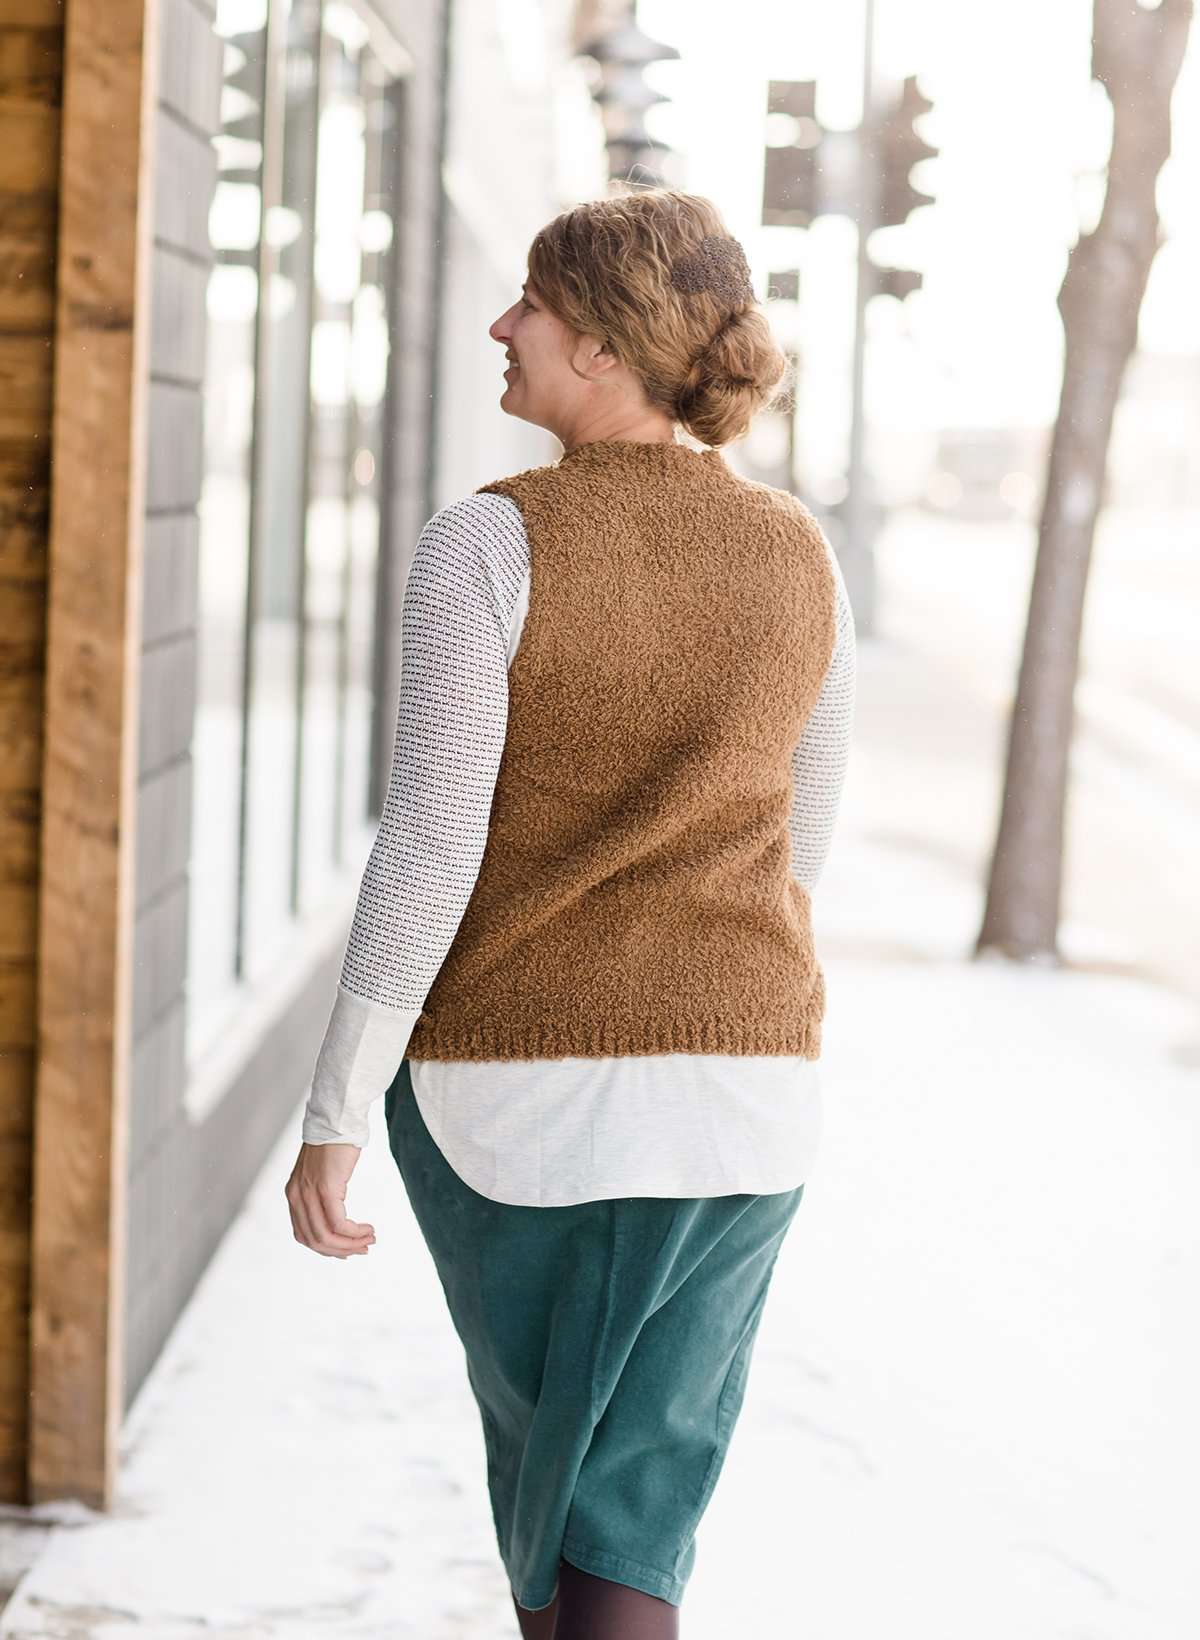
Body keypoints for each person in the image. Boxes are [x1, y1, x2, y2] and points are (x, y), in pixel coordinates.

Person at [285, 187, 856, 1639]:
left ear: (602, 345)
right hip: (746, 1100)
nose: (501, 324)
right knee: (637, 1514)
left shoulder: (490, 542)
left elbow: (428, 847)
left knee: (563, 1515)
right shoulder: (800, 552)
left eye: (529, 304)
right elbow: (809, 828)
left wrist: (337, 1111)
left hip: (521, 1105)